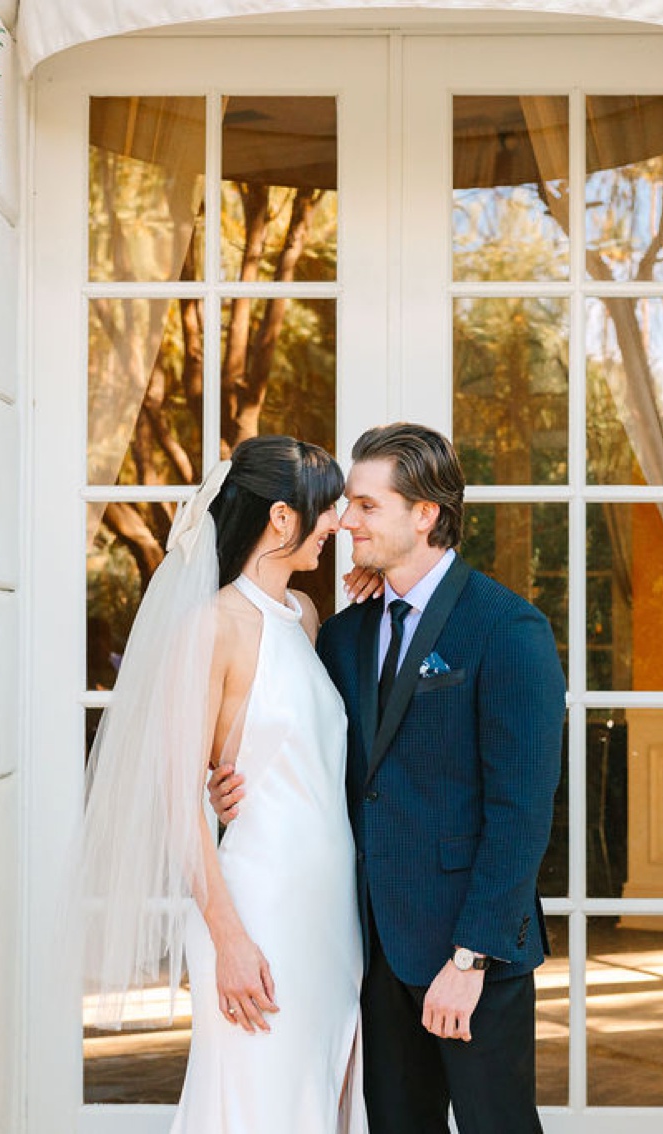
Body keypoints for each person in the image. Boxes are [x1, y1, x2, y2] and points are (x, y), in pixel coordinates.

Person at [213, 422, 566, 1134]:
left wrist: (470, 959)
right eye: (348, 504)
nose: (345, 520)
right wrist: (224, 790)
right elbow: (306, 754)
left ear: (426, 513)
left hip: (473, 957)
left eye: (368, 507)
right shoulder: (342, 634)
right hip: (369, 952)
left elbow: (521, 813)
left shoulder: (508, 629)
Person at [80, 435, 366, 1134]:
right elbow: (179, 802)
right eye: (326, 508)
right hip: (256, 914)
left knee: (319, 1099)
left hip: (330, 915)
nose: (336, 523)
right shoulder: (212, 628)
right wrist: (229, 939)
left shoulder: (304, 615)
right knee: (256, 1106)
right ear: (280, 517)